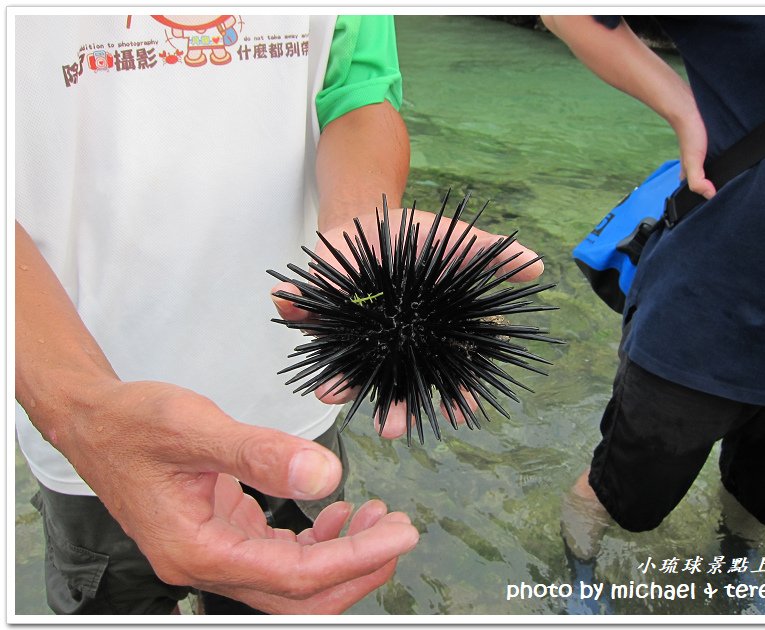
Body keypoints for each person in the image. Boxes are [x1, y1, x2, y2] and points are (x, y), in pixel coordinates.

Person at [15, 13, 545, 615]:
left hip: (294, 412)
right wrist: (73, 405)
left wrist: (356, 222)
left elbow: (357, 95)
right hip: (94, 425)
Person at [541, 15, 765, 549]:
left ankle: (737, 566)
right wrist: (683, 111)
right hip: (709, 307)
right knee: (625, 495)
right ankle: (579, 571)